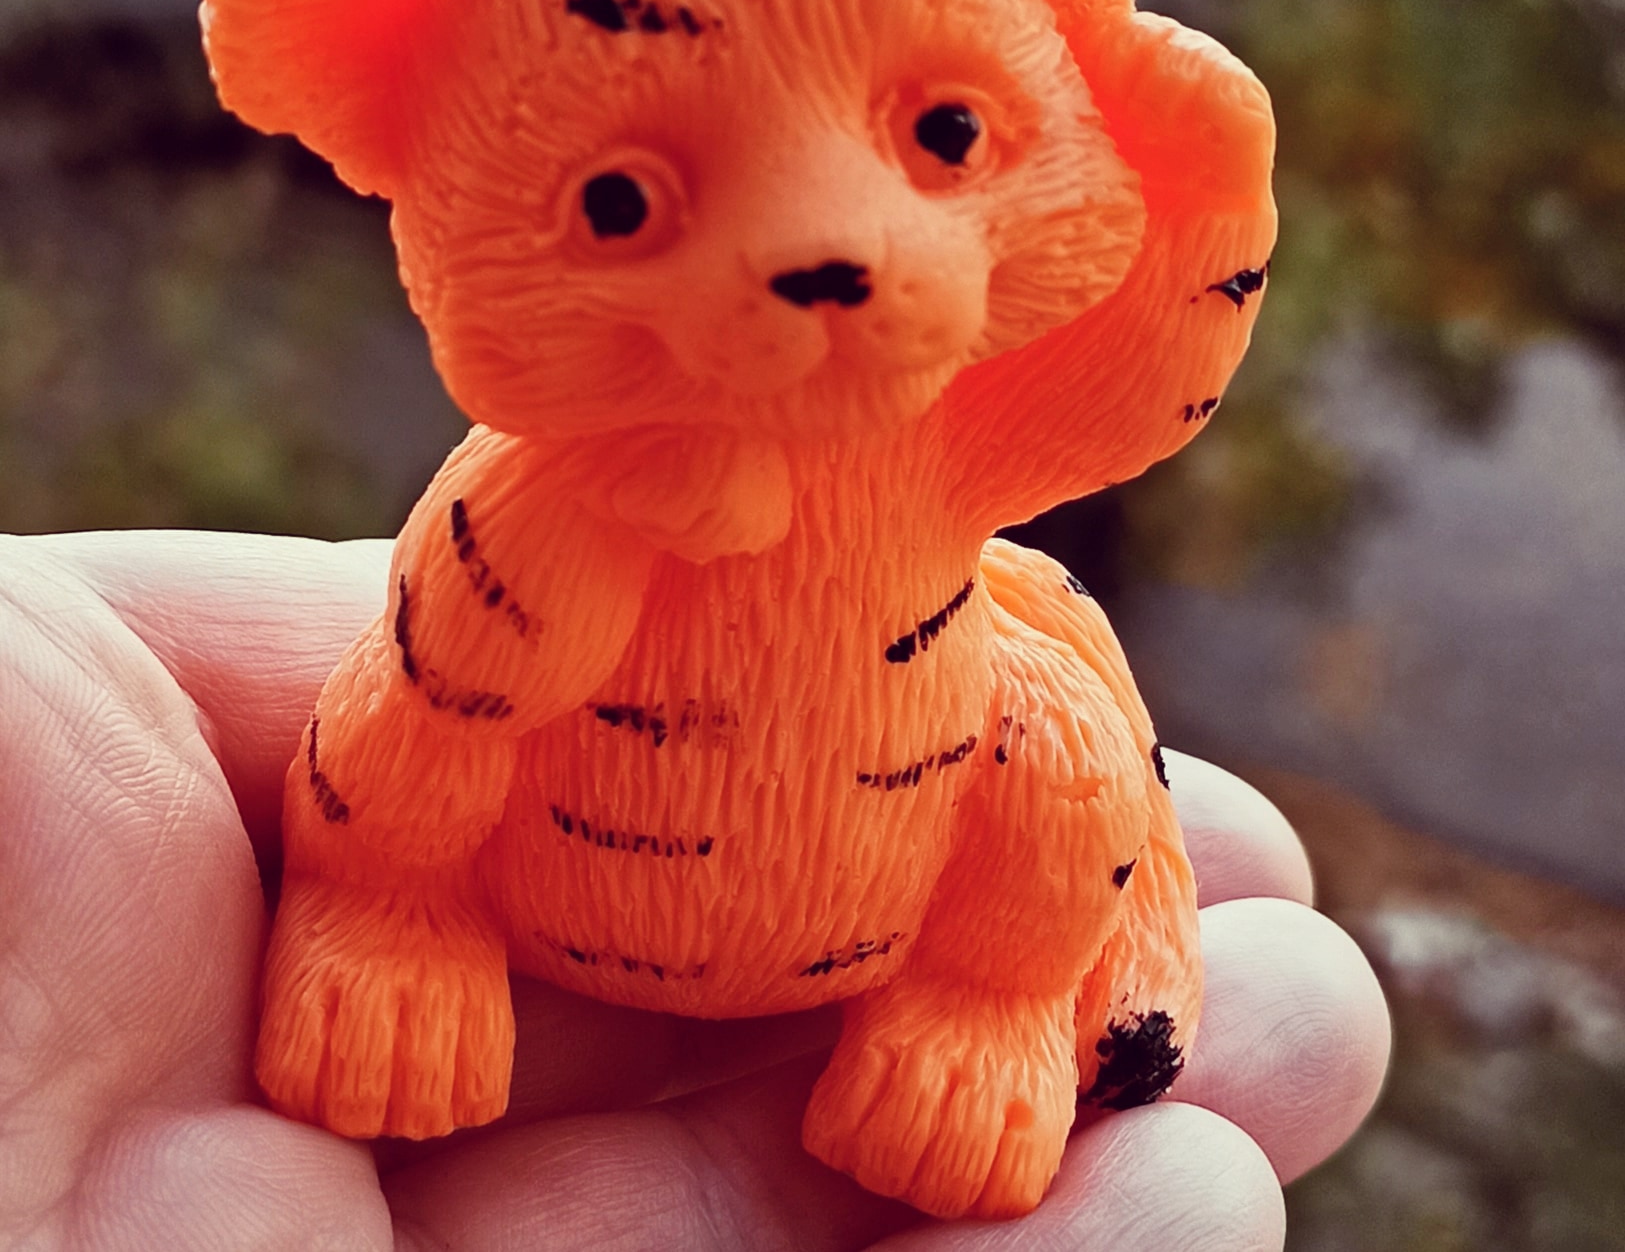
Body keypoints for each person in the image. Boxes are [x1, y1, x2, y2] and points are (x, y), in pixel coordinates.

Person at [0, 529, 1389, 1251]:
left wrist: (999, 975)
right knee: (438, 680)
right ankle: (383, 909)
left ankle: (989, 996)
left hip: (912, 802)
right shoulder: (547, 470)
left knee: (1061, 757)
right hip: (517, 860)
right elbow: (427, 688)